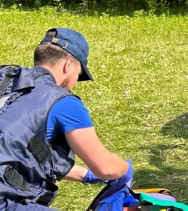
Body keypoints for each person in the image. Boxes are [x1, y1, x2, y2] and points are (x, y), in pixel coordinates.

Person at [0, 28, 133, 211]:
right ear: (68, 65)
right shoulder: (62, 102)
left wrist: (86, 175)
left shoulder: (6, 80)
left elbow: (20, 152)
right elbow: (105, 167)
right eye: (78, 75)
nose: (74, 83)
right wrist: (124, 169)